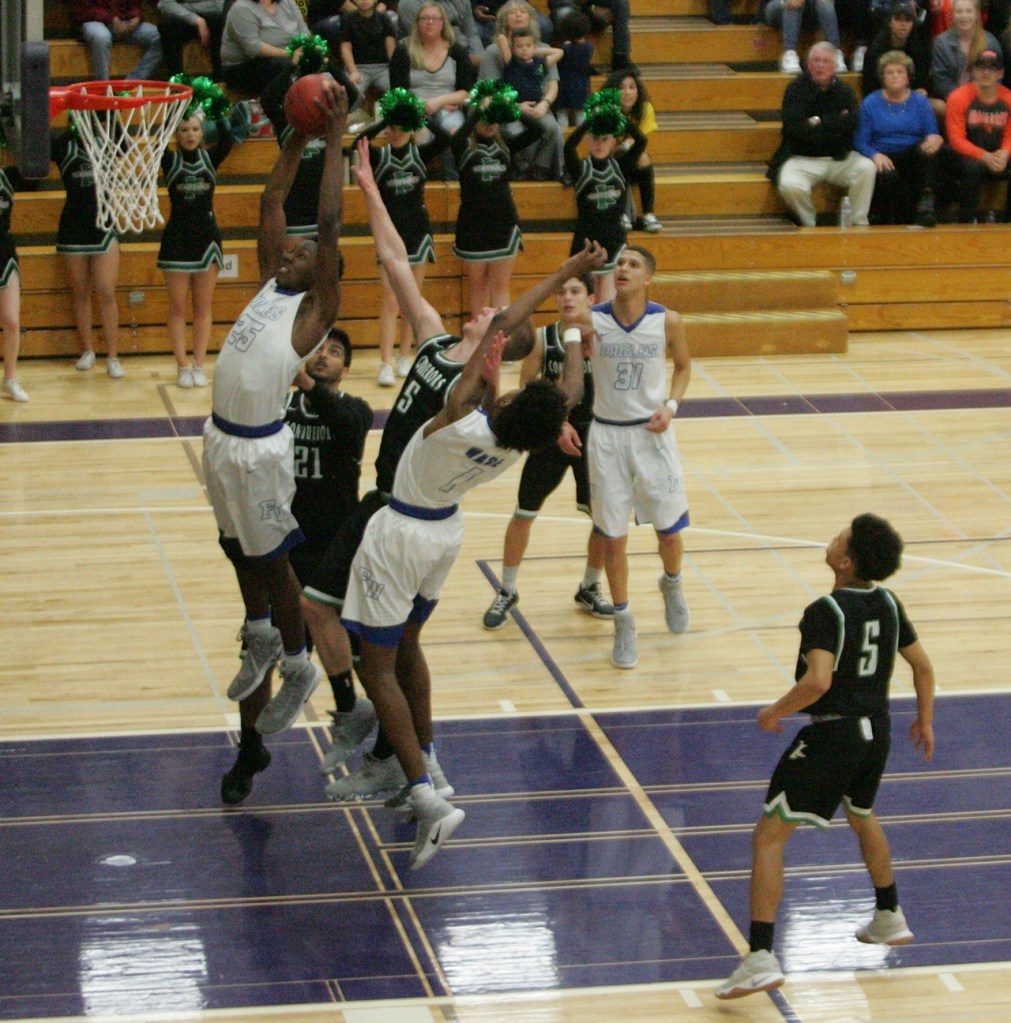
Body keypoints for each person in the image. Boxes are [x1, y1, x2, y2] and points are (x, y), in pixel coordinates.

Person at [314, 138, 600, 807]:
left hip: (395, 511)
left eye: (492, 316)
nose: (481, 309)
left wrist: (562, 277)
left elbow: (511, 313)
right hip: (413, 516)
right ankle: (416, 752)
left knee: (355, 633)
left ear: (499, 339)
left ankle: (390, 745)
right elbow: (393, 260)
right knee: (392, 642)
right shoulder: (440, 344)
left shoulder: (473, 399)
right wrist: (369, 188)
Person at [715, 513, 936, 1000]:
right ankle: (888, 914)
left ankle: (760, 957)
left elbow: (818, 681)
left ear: (844, 559)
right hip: (876, 733)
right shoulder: (889, 602)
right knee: (861, 813)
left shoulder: (825, 611)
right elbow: (922, 666)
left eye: (841, 537)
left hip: (834, 736)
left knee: (769, 837)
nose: (833, 536)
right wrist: (924, 720)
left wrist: (775, 711)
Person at [202, 79, 348, 739]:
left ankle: (298, 663)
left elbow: (327, 224)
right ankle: (261, 635)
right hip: (220, 438)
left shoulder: (314, 311)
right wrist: (294, 134)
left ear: (320, 272)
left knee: (273, 561)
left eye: (301, 255)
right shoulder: (269, 284)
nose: (289, 254)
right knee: (237, 549)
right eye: (286, 252)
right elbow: (270, 197)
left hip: (261, 449)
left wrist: (336, 137)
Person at [221, 328, 373, 803]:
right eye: (318, 350)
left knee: (360, 652)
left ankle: (365, 726)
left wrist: (306, 383)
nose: (324, 356)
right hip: (281, 546)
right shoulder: (275, 408)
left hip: (331, 552)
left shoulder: (353, 410)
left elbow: (350, 424)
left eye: (335, 353)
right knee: (260, 651)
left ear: (345, 369)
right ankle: (250, 750)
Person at [572, 245, 691, 670]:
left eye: (633, 264)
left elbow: (682, 368)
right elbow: (567, 346)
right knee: (611, 537)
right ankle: (624, 619)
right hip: (606, 435)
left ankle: (672, 583)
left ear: (647, 279)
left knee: (668, 533)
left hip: (651, 434)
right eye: (620, 262)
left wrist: (672, 407)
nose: (623, 268)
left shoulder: (667, 321)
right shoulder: (592, 319)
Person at [482, 271, 615, 630]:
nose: (567, 298)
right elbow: (527, 386)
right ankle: (507, 589)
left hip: (595, 436)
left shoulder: (606, 337)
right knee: (523, 512)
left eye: (575, 291)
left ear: (591, 298)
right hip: (550, 433)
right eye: (561, 293)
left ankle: (590, 585)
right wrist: (559, 424)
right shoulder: (544, 338)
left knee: (603, 521)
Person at [355, 88, 451, 386]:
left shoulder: (420, 153)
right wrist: (387, 119)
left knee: (413, 301)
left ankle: (405, 356)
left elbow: (447, 138)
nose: (395, 133)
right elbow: (360, 140)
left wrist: (419, 116)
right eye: (393, 128)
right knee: (389, 299)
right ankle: (384, 361)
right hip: (389, 233)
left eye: (401, 128)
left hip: (418, 233)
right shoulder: (380, 154)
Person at [158, 108, 233, 388]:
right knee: (177, 307)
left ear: (203, 132)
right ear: (176, 135)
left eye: (195, 129)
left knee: (203, 307)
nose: (190, 135)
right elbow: (156, 141)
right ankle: (182, 365)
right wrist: (172, 109)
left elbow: (227, 139)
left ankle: (199, 365)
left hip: (207, 240)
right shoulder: (170, 160)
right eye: (184, 130)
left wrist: (219, 106)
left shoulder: (210, 158)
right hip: (177, 240)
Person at [452, 93, 544, 316]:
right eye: (486, 119)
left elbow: (538, 129)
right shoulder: (463, 146)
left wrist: (509, 106)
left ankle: (502, 343)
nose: (491, 124)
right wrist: (482, 108)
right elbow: (458, 135)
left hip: (504, 223)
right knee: (478, 286)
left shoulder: (506, 146)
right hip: (473, 223)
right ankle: (479, 341)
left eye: (496, 119)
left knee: (500, 286)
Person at [767, 42, 877, 227]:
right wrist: (834, 124)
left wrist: (818, 121)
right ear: (808, 65)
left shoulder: (845, 91)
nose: (820, 66)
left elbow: (852, 123)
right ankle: (810, 224)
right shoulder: (795, 90)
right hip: (801, 158)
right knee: (789, 185)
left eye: (826, 61)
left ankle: (859, 223)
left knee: (867, 168)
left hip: (839, 159)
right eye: (816, 61)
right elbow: (796, 130)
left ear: (834, 66)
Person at [51, 128, 125, 379]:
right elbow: (41, 148)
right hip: (73, 225)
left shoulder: (105, 138)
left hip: (102, 223)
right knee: (80, 292)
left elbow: (124, 145)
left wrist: (109, 110)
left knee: (106, 291)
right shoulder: (65, 144)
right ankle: (87, 351)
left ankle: (113, 356)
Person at [564, 98, 647, 303]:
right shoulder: (580, 168)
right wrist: (588, 121)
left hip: (614, 239)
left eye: (605, 139)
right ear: (588, 141)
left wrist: (616, 115)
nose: (599, 144)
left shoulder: (622, 165)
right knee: (585, 301)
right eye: (594, 138)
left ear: (613, 141)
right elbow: (568, 147)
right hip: (585, 240)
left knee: (607, 304)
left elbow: (641, 140)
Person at [388, 2, 477, 178]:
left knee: (455, 133)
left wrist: (439, 102)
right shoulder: (403, 50)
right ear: (417, 23)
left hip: (447, 106)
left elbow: (466, 91)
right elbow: (398, 91)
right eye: (425, 18)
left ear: (443, 23)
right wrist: (421, 104)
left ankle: (453, 182)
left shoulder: (457, 51)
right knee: (420, 135)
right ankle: (419, 180)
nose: (430, 22)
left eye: (435, 18)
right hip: (415, 109)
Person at [855, 50, 943, 224]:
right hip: (884, 155)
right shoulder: (870, 103)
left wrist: (935, 138)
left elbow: (931, 132)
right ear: (883, 77)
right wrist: (875, 155)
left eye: (899, 72)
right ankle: (891, 221)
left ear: (907, 77)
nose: (895, 76)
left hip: (912, 153)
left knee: (930, 152)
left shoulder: (920, 101)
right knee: (888, 176)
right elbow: (860, 141)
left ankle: (926, 207)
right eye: (890, 72)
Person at [944, 47, 1011, 220]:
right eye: (981, 68)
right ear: (974, 71)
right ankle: (966, 221)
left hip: (999, 153)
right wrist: (984, 156)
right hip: (967, 154)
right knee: (971, 169)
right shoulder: (958, 97)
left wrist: (1004, 153)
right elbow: (956, 140)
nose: (986, 72)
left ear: (1001, 73)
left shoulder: (1009, 98)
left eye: (992, 68)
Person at [495, 26, 564, 179]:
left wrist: (535, 51)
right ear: (513, 48)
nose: (524, 49)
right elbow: (501, 38)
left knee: (552, 129)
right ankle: (522, 167)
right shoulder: (511, 62)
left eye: (528, 46)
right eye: (519, 46)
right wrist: (520, 47)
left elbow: (559, 52)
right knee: (517, 132)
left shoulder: (540, 63)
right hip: (516, 109)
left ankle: (541, 167)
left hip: (537, 107)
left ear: (534, 46)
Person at [605, 66, 663, 232]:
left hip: (630, 160)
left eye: (632, 87)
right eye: (621, 88)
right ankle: (620, 213)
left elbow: (641, 140)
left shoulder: (645, 109)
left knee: (642, 157)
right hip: (609, 161)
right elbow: (606, 147)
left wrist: (626, 144)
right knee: (618, 159)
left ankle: (648, 215)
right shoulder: (605, 110)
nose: (627, 92)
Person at [220, 0, 310, 95]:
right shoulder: (241, 8)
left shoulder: (288, 2)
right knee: (284, 65)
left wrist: (309, 49)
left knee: (317, 59)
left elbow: (303, 29)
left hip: (288, 57)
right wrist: (290, 54)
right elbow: (254, 48)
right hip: (244, 67)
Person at [861, 1, 934, 111]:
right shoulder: (875, 49)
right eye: (898, 19)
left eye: (907, 20)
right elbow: (868, 84)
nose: (903, 24)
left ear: (913, 23)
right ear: (890, 22)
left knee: (938, 107)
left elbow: (923, 79)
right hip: (882, 99)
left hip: (912, 98)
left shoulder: (920, 48)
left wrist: (922, 90)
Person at [69, 0, 163, 82]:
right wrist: (111, 19)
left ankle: (132, 82)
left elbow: (135, 5)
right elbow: (82, 11)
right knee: (101, 37)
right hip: (93, 20)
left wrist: (136, 17)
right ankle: (103, 88)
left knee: (160, 36)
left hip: (123, 22)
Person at [930, 0, 1001, 107]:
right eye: (959, 12)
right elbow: (941, 82)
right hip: (953, 100)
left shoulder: (990, 43)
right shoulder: (941, 43)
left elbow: (997, 77)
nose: (964, 16)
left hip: (983, 102)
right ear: (952, 15)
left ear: (977, 14)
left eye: (968, 11)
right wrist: (961, 102)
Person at [0, 165, 27, 403]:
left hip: (4, 253)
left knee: (11, 320)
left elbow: (36, 168)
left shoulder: (8, 176)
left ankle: (9, 379)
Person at [763, 0, 846, 74]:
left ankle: (834, 52)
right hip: (777, 5)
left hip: (813, 9)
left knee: (825, 3)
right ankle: (789, 52)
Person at [340, 0, 397, 103]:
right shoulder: (347, 19)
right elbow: (346, 48)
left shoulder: (384, 18)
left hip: (383, 68)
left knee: (399, 89)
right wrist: (353, 71)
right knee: (350, 94)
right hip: (359, 68)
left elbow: (391, 48)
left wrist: (395, 70)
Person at [397, 0, 486, 61]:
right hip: (428, 58)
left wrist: (480, 58)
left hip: (466, 53)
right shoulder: (409, 4)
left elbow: (471, 33)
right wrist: (465, 60)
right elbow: (427, 42)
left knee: (492, 53)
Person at [157, 0, 226, 78]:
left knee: (219, 21)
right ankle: (177, 80)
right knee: (168, 27)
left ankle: (220, 79)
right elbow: (164, 4)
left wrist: (184, 7)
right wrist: (196, 20)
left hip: (211, 17)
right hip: (183, 19)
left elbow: (218, 7)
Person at [554, 10, 594, 129]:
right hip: (581, 83)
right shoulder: (588, 47)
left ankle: (563, 137)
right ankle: (582, 137)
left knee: (562, 113)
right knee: (581, 113)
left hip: (564, 82)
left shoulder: (564, 48)